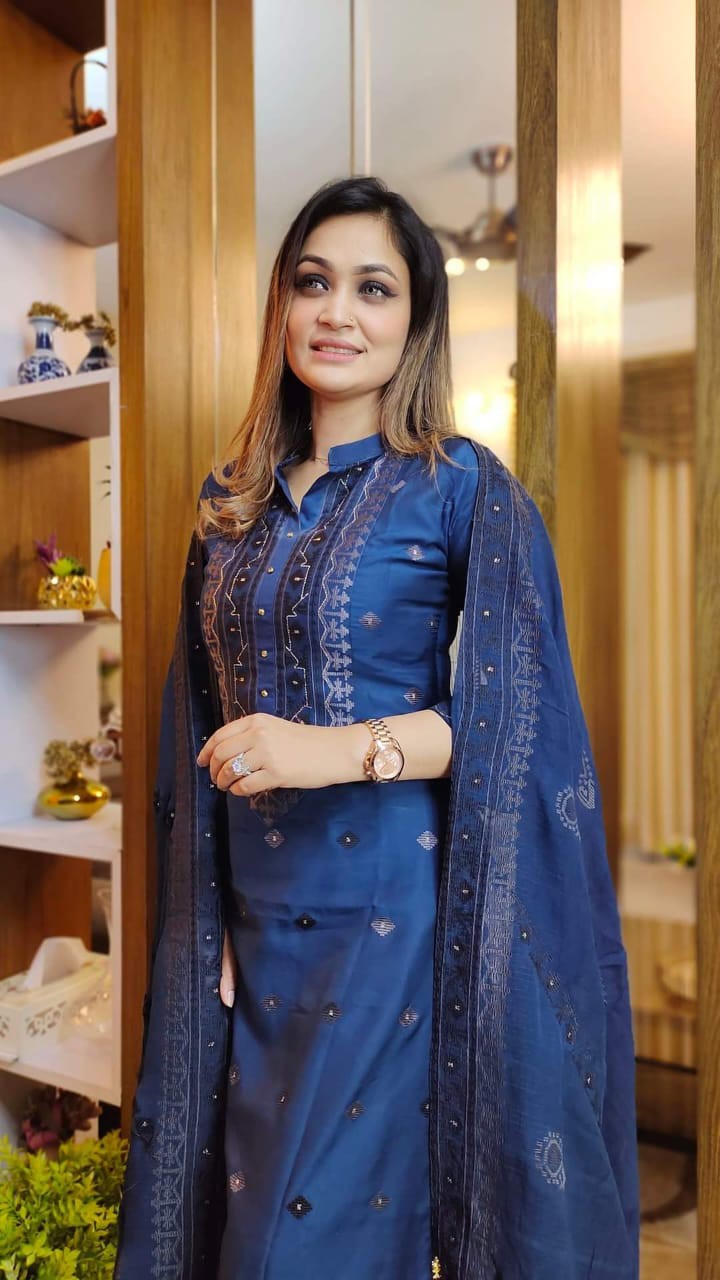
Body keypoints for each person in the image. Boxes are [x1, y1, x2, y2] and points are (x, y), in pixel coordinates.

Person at [113, 176, 639, 1280]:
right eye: (314, 283)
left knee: (308, 1242)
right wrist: (202, 915)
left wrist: (337, 750)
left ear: (416, 320)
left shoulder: (459, 488)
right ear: (281, 304)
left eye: (374, 288)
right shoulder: (229, 506)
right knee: (244, 1216)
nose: (338, 312)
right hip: (251, 932)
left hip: (391, 921)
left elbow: (516, 718)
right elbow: (191, 725)